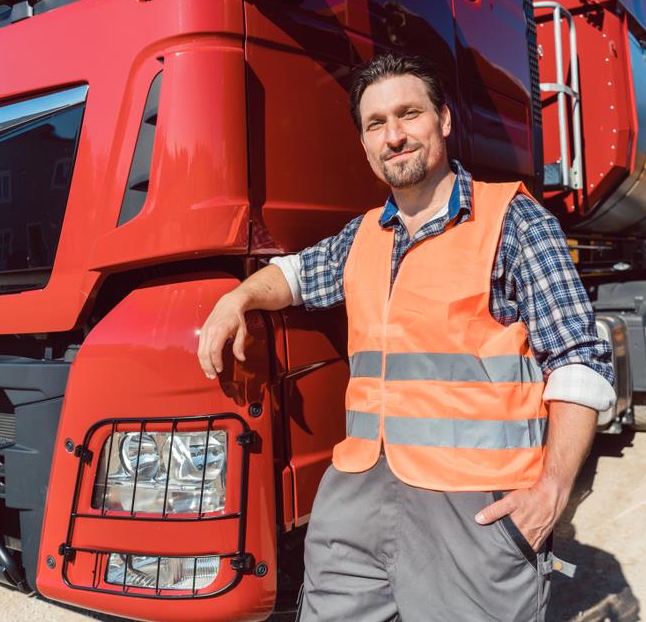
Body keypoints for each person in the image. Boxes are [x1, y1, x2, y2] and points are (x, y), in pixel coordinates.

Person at [197, 52, 616, 621]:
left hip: (473, 512)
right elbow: (294, 274)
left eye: (408, 114)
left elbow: (580, 361)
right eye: (376, 124)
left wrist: (553, 493)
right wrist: (237, 298)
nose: (394, 136)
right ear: (365, 143)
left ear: (443, 120)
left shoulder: (514, 221)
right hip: (359, 498)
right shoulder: (363, 235)